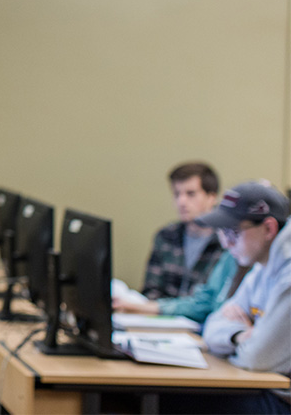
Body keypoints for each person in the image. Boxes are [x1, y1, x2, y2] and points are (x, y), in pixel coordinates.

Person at [160, 180, 290, 414]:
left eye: (234, 232)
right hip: (268, 388)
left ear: (269, 229)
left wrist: (249, 342)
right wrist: (240, 335)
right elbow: (213, 325)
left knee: (176, 400)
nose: (226, 242)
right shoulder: (264, 264)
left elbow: (257, 358)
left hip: (282, 399)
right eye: (222, 232)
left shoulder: (287, 271)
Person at [141, 162, 223, 299]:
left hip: (205, 318)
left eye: (191, 194)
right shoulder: (166, 236)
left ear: (211, 197)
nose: (181, 202)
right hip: (162, 316)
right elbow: (151, 290)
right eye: (177, 194)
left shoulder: (226, 242)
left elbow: (217, 300)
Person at [114, 249, 248, 323]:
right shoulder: (229, 256)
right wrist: (136, 307)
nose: (229, 241)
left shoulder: (226, 251)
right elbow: (202, 302)